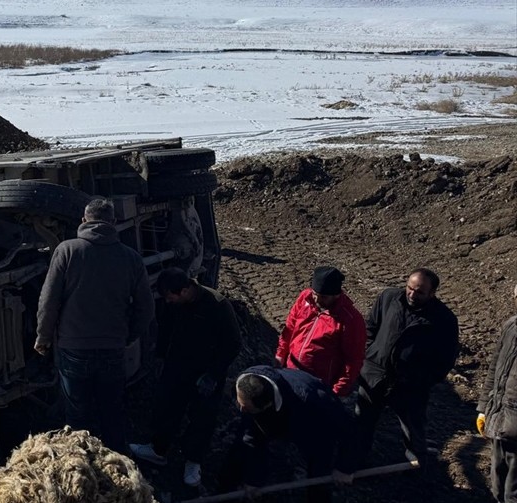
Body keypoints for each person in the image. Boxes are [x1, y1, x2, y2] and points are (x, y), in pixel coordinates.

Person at [35, 197, 154, 454]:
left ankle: (83, 470)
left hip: (73, 350)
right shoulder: (131, 258)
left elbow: (49, 301)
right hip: (112, 348)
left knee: (77, 416)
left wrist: (43, 338)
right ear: (113, 222)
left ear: (83, 221)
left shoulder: (67, 251)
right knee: (112, 411)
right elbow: (146, 308)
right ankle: (118, 468)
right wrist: (127, 337)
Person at [129, 267, 242, 487]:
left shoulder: (217, 305)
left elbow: (233, 344)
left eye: (171, 297)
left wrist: (213, 374)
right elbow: (166, 329)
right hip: (177, 367)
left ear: (184, 290)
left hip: (205, 373)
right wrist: (161, 357)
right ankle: (158, 449)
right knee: (167, 407)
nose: (168, 302)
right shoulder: (174, 305)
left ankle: (193, 461)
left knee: (202, 417)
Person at [355, 267, 459, 469]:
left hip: (410, 386)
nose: (412, 294)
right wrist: (370, 356)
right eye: (409, 288)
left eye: (419, 292)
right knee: (363, 423)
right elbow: (370, 327)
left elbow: (445, 358)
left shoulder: (444, 320)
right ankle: (355, 461)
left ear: (432, 293)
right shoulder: (388, 298)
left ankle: (417, 464)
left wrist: (423, 381)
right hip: (375, 376)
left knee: (413, 426)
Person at [217, 365, 354, 503]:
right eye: (240, 403)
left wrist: (344, 467)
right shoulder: (247, 383)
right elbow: (252, 438)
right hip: (271, 413)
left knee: (319, 468)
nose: (240, 409)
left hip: (310, 424)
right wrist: (254, 480)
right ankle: (224, 492)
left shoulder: (315, 402)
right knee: (241, 449)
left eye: (245, 407)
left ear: (266, 405)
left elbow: (349, 430)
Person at [275, 265, 367, 397]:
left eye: (323, 297)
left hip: (318, 384)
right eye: (315, 294)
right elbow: (289, 329)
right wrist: (280, 355)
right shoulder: (305, 298)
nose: (317, 300)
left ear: (336, 295)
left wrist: (337, 391)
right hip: (290, 371)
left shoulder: (350, 320)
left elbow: (353, 360)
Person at [477, 283, 517, 502]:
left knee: (513, 489)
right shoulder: (511, 326)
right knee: (497, 480)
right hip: (500, 418)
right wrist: (484, 408)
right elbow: (494, 369)